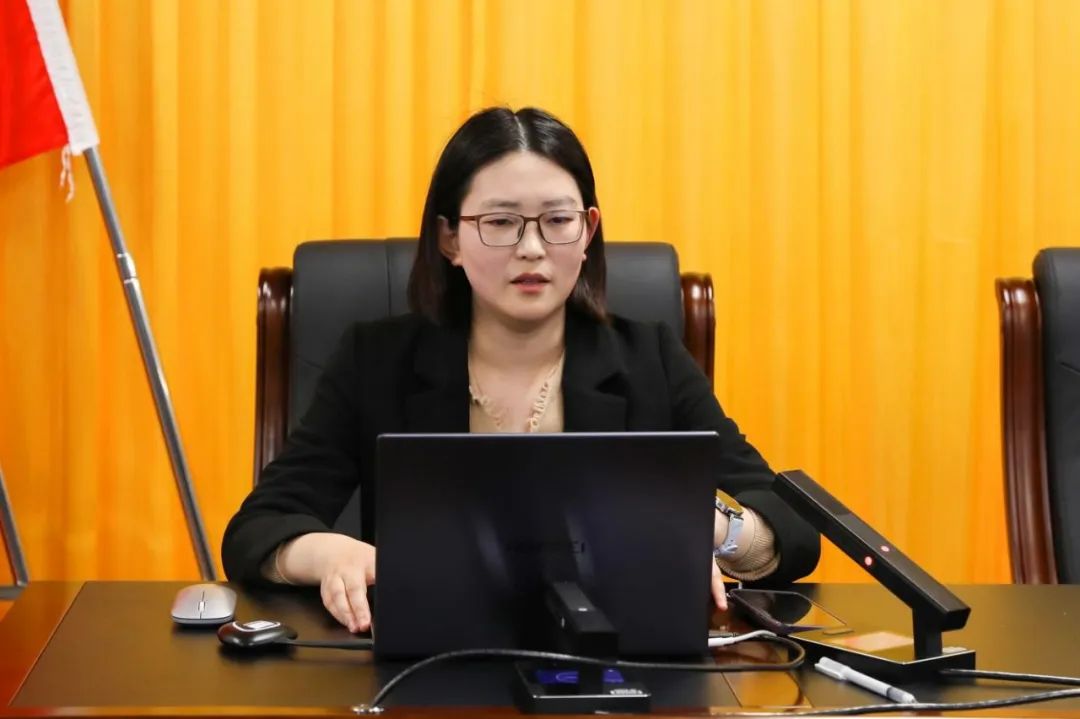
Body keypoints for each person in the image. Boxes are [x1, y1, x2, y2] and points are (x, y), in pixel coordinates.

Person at [222, 106, 821, 633]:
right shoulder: (376, 360)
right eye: (501, 222)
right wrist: (331, 555)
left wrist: (709, 528)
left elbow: (793, 527)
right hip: (427, 666)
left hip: (617, 666)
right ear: (450, 239)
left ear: (587, 232)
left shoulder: (650, 360)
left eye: (557, 221)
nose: (531, 248)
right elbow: (258, 528)